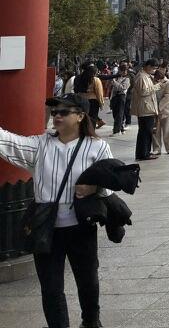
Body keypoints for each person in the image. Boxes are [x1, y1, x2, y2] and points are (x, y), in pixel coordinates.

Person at [0, 92, 112, 328]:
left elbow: (112, 184)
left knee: (88, 281)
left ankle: (91, 321)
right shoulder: (41, 144)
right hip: (46, 229)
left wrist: (94, 187)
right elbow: (9, 142)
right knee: (51, 287)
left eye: (63, 111)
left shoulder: (97, 147)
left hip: (81, 227)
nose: (57, 116)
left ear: (80, 116)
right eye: (54, 112)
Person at [129, 59, 159, 160]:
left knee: (146, 131)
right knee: (145, 132)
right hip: (145, 108)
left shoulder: (145, 76)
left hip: (147, 107)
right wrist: (156, 87)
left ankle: (145, 152)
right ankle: (143, 154)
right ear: (148, 66)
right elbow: (143, 92)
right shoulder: (142, 76)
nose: (154, 70)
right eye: (154, 68)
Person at [73, 64, 106, 129]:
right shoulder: (95, 79)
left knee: (83, 118)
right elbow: (99, 92)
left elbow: (75, 89)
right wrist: (101, 103)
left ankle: (83, 132)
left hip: (81, 100)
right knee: (92, 119)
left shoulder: (78, 78)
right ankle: (91, 132)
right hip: (93, 101)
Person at [152, 67, 169, 155]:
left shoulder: (168, 83)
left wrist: (158, 107)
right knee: (156, 131)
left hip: (168, 110)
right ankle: (157, 148)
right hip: (155, 110)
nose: (156, 79)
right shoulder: (153, 83)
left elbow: (167, 97)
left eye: (157, 78)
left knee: (168, 130)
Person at [109, 65, 130, 135]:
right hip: (114, 97)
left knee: (119, 114)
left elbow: (123, 88)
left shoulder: (127, 79)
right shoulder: (116, 77)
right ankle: (121, 129)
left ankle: (116, 131)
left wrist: (114, 82)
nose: (124, 72)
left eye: (125, 70)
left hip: (121, 96)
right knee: (115, 114)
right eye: (122, 70)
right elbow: (112, 88)